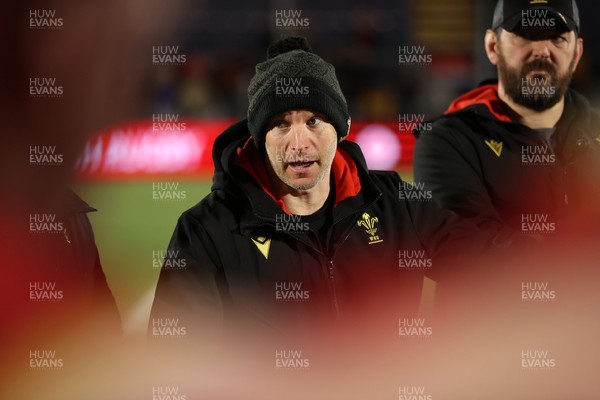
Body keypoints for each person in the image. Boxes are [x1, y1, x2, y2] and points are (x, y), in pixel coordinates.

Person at [149, 36, 493, 345]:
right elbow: (175, 361)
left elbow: (494, 268)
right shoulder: (207, 230)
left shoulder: (395, 204)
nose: (299, 143)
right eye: (280, 124)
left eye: (313, 121)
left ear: (341, 127)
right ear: (257, 138)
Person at [413, 0, 600, 240]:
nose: (542, 50)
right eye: (525, 35)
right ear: (492, 47)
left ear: (577, 53)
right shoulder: (448, 142)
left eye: (557, 38)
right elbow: (472, 252)